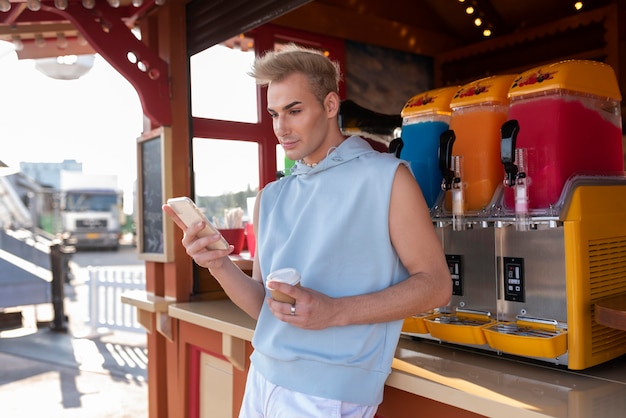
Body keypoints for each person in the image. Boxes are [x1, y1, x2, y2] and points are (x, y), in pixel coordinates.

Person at [163, 44, 452, 418]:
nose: (281, 127)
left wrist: (335, 312)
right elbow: (265, 307)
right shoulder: (271, 196)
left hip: (329, 394)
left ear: (331, 106)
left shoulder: (388, 178)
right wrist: (218, 264)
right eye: (274, 114)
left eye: (294, 110)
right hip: (261, 376)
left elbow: (436, 285)